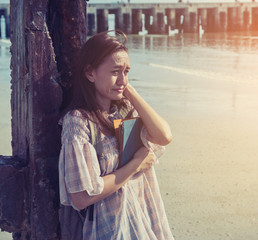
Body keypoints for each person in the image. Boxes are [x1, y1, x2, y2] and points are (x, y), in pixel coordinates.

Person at [58, 30, 174, 240]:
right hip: (109, 230)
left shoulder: (125, 111)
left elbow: (164, 136)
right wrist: (137, 163)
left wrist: (128, 91)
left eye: (127, 71)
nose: (122, 79)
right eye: (115, 72)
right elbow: (82, 197)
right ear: (90, 73)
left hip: (142, 222)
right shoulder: (78, 122)